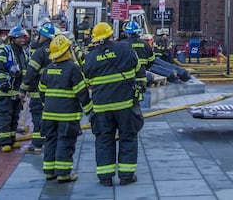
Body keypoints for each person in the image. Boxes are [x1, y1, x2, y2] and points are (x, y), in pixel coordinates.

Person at [83, 22, 144, 187]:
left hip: (101, 108)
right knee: (128, 138)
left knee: (103, 140)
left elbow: (87, 81)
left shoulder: (90, 57)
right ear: (111, 35)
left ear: (96, 40)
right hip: (126, 104)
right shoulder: (125, 49)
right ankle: (126, 176)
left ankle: (105, 177)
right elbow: (138, 68)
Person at [38, 34, 92, 183]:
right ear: (68, 50)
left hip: (48, 115)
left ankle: (49, 171)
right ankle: (63, 173)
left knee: (50, 141)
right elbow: (81, 92)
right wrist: (89, 110)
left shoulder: (48, 69)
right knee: (65, 142)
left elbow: (41, 91)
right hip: (67, 116)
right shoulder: (72, 69)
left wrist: (47, 106)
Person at [19, 22, 56, 154]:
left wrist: (23, 90)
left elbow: (31, 72)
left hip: (38, 93)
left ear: (42, 36)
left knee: (38, 118)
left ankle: (37, 145)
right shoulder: (57, 50)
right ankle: (47, 143)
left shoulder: (40, 53)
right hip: (55, 93)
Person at [0, 25, 30, 152]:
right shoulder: (5, 50)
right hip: (5, 92)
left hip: (17, 92)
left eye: (24, 37)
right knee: (5, 117)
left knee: (14, 117)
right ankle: (4, 142)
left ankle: (12, 139)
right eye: (20, 37)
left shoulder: (23, 52)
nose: (23, 40)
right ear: (13, 38)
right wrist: (3, 83)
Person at [122, 21, 155, 102]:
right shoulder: (145, 44)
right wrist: (143, 68)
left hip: (127, 78)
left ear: (127, 33)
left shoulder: (123, 45)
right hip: (141, 77)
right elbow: (151, 60)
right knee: (139, 101)